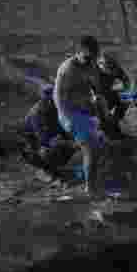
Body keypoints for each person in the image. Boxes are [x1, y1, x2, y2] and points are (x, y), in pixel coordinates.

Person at [54, 35, 104, 198]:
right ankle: (90, 189)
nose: (91, 60)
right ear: (79, 52)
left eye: (94, 57)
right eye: (88, 57)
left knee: (97, 148)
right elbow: (58, 98)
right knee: (90, 148)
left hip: (86, 111)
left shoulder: (92, 65)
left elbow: (96, 87)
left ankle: (86, 178)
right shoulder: (67, 69)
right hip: (70, 113)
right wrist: (67, 120)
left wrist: (98, 104)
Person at [20, 84, 75, 174]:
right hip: (34, 148)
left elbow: (64, 127)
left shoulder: (55, 109)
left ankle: (58, 166)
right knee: (49, 151)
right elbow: (44, 139)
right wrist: (69, 143)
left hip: (50, 140)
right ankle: (47, 170)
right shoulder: (37, 113)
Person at [94, 49, 132, 138]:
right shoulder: (93, 71)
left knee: (126, 100)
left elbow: (127, 82)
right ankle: (105, 129)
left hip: (109, 93)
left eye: (112, 70)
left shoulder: (116, 68)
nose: (110, 72)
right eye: (107, 69)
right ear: (101, 64)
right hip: (95, 100)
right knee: (99, 103)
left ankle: (114, 123)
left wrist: (119, 89)